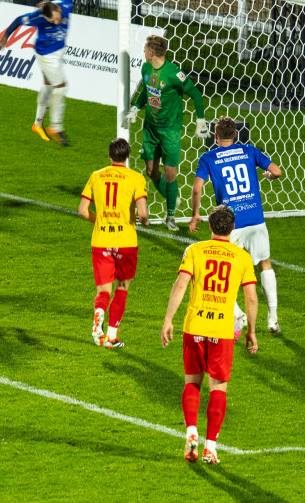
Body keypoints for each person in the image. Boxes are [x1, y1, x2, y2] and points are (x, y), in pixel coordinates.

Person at [161, 204, 258, 465]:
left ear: (211, 226)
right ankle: (210, 447)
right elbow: (250, 296)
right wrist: (250, 331)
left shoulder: (195, 250)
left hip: (194, 327)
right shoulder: (242, 257)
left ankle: (191, 431)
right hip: (223, 331)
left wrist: (168, 319)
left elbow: (181, 283)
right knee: (218, 388)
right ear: (233, 228)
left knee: (192, 383)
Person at [190, 115, 284, 334]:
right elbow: (277, 171)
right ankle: (273, 319)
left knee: (223, 271)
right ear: (235, 135)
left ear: (215, 136)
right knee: (265, 264)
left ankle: (238, 315)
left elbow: (196, 188)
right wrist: (269, 176)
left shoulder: (208, 157)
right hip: (255, 219)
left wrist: (195, 214)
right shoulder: (250, 150)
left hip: (230, 224)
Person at [122, 34, 209, 231]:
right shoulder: (146, 68)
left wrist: (201, 120)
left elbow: (195, 94)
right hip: (151, 128)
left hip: (170, 131)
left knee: (170, 175)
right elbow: (146, 90)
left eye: (145, 50)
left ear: (151, 53)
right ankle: (173, 199)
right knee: (150, 171)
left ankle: (170, 216)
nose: (143, 52)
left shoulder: (173, 73)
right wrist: (136, 107)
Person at [78, 137, 149, 348]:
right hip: (126, 242)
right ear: (127, 157)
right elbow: (143, 212)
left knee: (103, 291)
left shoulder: (96, 176)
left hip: (101, 240)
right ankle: (111, 337)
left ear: (109, 156)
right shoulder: (135, 177)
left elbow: (82, 211)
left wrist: (98, 220)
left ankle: (99, 312)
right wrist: (144, 221)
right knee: (122, 287)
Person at [0, 0, 73, 146]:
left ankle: (37, 124)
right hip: (46, 55)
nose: (57, 22)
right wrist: (6, 36)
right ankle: (56, 126)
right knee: (61, 87)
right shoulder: (38, 17)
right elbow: (18, 20)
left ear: (59, 9)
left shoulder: (65, 3)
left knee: (48, 84)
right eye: (53, 21)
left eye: (58, 19)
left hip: (58, 51)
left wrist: (46, 1)